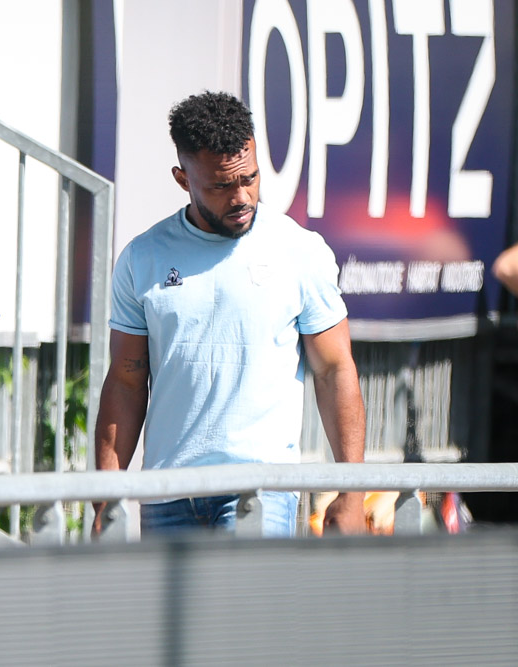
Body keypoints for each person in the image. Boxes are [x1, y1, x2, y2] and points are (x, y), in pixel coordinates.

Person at [94, 91, 366, 537]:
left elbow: (335, 369)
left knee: (246, 610)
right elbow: (125, 380)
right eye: (221, 186)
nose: (242, 196)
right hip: (165, 492)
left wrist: (351, 492)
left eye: (251, 178)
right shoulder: (142, 258)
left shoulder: (300, 251)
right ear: (183, 179)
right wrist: (107, 500)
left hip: (259, 492)